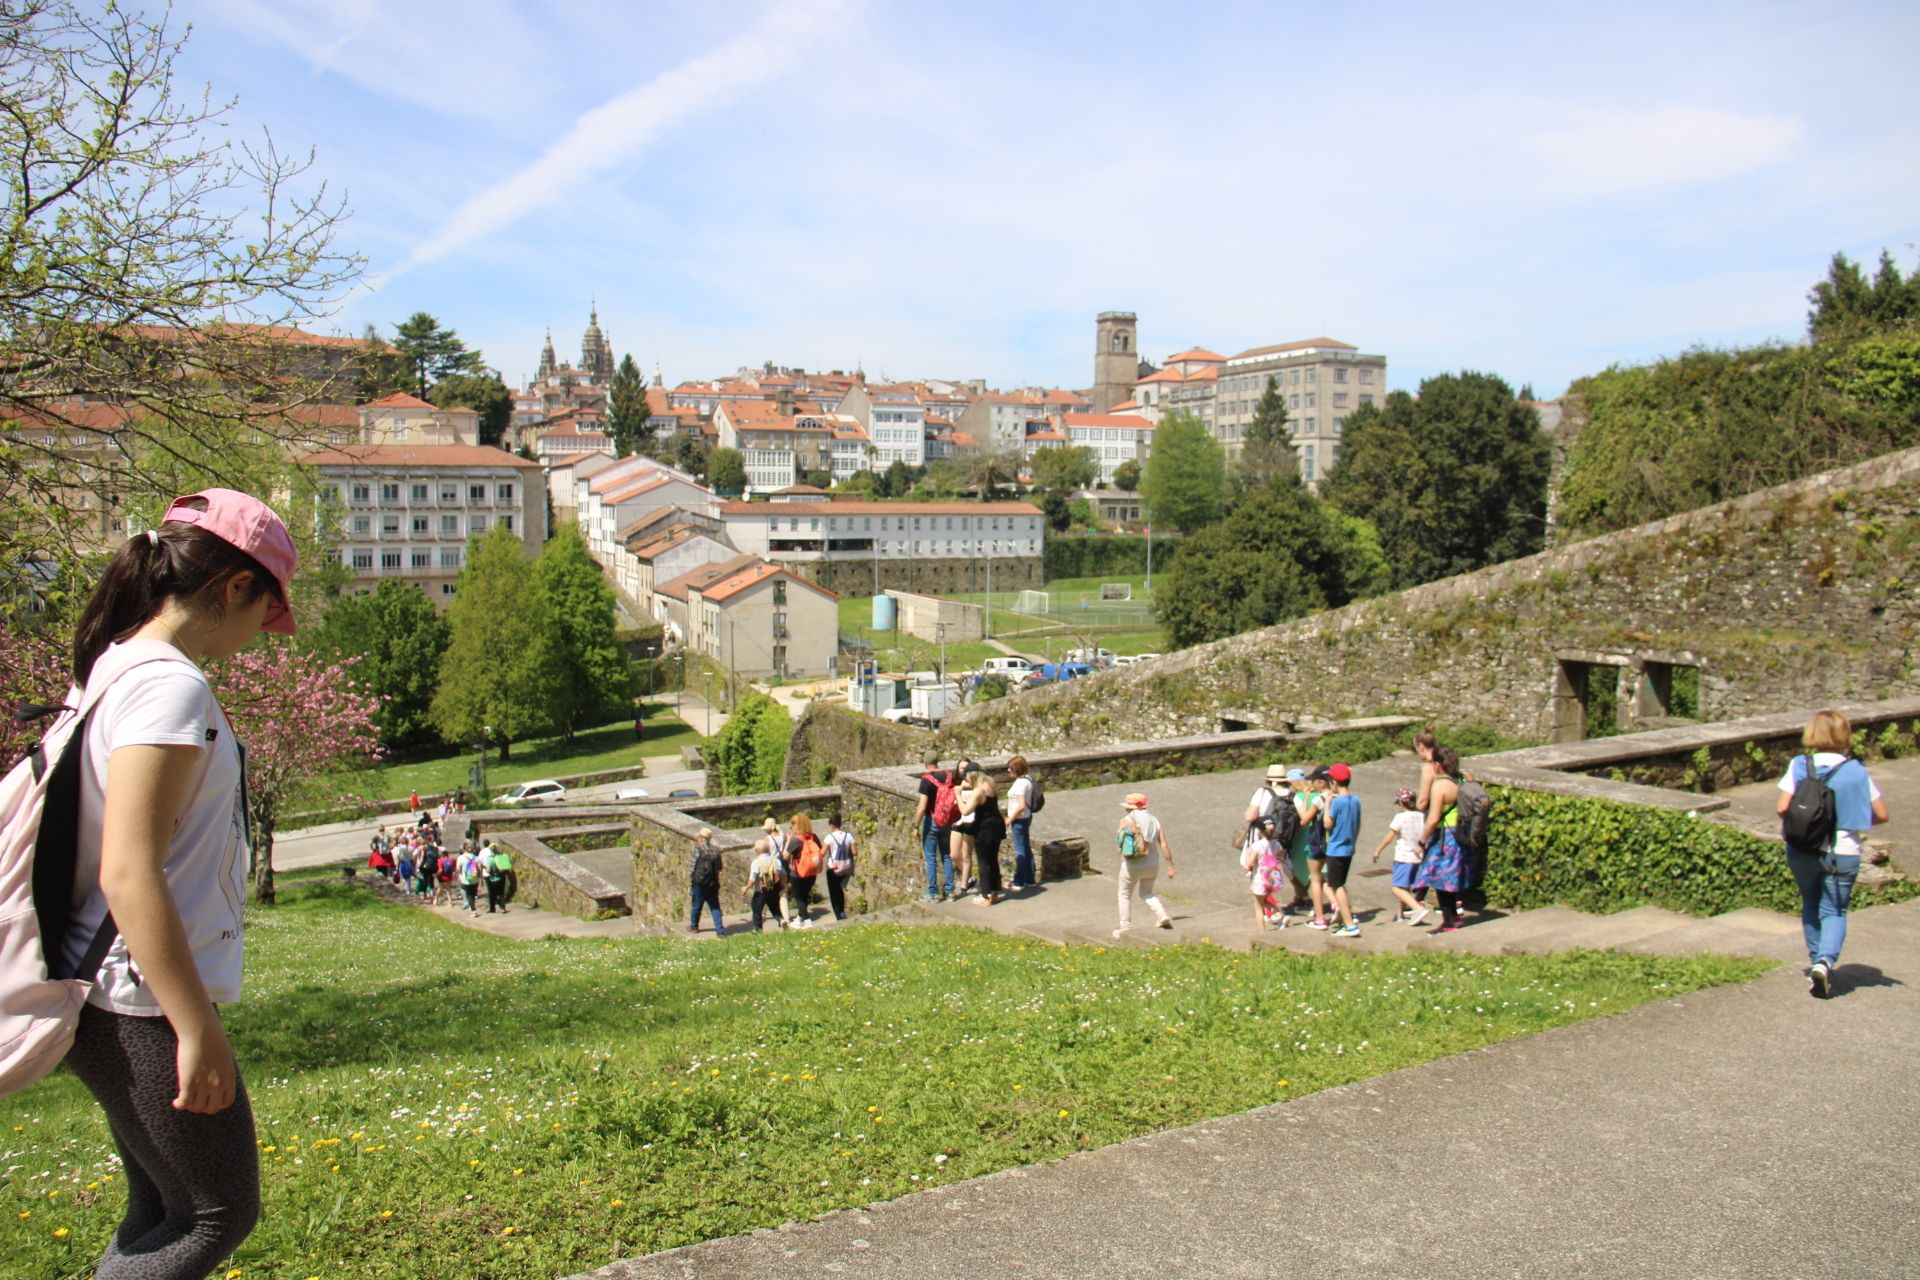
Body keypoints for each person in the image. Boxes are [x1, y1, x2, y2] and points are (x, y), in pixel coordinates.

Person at [60, 487, 297, 1276]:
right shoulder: (170, 687)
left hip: (103, 991)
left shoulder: (115, 664)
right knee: (213, 1214)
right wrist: (194, 1028)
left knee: (162, 1207)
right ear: (235, 588)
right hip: (141, 998)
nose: (263, 635)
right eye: (266, 611)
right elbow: (129, 869)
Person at [1777, 710, 1889, 998]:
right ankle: (1825, 963)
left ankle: (1817, 962)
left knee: (1811, 903)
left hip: (1803, 849)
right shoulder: (1856, 771)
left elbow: (1781, 807)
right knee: (1835, 909)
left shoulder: (1800, 765)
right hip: (1843, 851)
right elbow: (1881, 814)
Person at [1415, 746, 1469, 933]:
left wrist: (1422, 840)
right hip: (1460, 833)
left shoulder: (1440, 786)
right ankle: (1454, 915)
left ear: (1438, 764)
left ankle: (1448, 922)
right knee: (1451, 877)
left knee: (1440, 879)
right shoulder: (1463, 778)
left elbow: (1434, 818)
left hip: (1445, 836)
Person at [1113, 792, 1175, 938]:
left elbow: (1120, 844)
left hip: (1132, 864)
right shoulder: (1155, 821)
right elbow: (1164, 845)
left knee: (1124, 894)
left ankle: (1125, 927)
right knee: (1147, 892)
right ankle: (1162, 915)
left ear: (1130, 807)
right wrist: (1170, 865)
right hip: (1152, 864)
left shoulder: (1126, 820)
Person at [1372, 788, 1431, 926]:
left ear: (1401, 803)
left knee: (1396, 888)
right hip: (1418, 857)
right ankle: (1400, 913)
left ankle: (1417, 908)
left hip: (1403, 856)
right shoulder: (1421, 816)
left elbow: (1389, 837)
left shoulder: (1400, 818)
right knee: (1405, 887)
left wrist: (1378, 850)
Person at [1321, 763, 1362, 937]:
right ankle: (1345, 917)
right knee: (1340, 883)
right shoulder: (1356, 800)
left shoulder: (1337, 802)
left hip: (1336, 848)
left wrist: (1328, 804)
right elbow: (1358, 824)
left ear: (1334, 782)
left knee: (1336, 886)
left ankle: (1349, 924)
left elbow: (1327, 824)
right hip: (1349, 847)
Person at [960, 769, 1007, 906]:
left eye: (968, 778)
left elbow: (965, 810)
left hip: (984, 829)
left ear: (973, 776)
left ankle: (985, 895)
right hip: (997, 825)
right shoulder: (990, 783)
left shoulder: (979, 791)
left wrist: (957, 794)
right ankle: (994, 892)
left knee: (983, 862)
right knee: (993, 860)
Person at [914, 753, 957, 901]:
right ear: (938, 761)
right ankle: (950, 891)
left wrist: (915, 826)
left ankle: (933, 893)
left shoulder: (926, 780)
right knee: (946, 855)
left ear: (925, 763)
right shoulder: (949, 775)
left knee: (931, 857)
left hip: (932, 820)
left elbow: (921, 807)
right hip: (946, 820)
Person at [1244, 814, 1289, 930]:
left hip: (1259, 878)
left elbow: (1250, 862)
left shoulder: (1257, 846)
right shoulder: (1277, 844)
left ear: (1259, 831)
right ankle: (1279, 914)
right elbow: (1281, 855)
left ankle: (1262, 931)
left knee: (1258, 906)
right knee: (1264, 900)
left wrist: (1248, 856)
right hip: (1272, 877)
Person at [1301, 767, 1334, 927]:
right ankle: (1336, 904)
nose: (1311, 783)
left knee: (1316, 879)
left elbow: (1304, 820)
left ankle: (1319, 918)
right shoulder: (1337, 797)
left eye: (1313, 781)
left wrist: (1307, 798)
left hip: (1317, 842)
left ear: (1321, 782)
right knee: (1330, 878)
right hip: (1333, 843)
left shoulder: (1319, 799)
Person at [785, 813, 824, 928]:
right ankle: (799, 917)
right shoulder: (813, 836)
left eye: (791, 825)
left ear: (795, 826)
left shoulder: (795, 840)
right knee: (805, 894)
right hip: (812, 872)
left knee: (799, 898)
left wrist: (788, 839)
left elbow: (785, 856)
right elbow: (820, 850)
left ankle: (807, 920)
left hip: (797, 873)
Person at [1006, 755, 1039, 890]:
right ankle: (1030, 878)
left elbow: (1021, 805)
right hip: (1026, 817)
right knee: (1025, 847)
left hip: (1019, 820)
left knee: (1020, 850)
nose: (1008, 770)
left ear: (1017, 769)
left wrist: (1010, 819)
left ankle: (1019, 881)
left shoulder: (1020, 784)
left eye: (1010, 768)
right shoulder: (1027, 779)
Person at [688, 827, 725, 934]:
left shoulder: (698, 850)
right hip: (713, 883)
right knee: (715, 906)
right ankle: (720, 930)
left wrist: (692, 879)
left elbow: (693, 867)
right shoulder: (716, 851)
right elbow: (719, 869)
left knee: (696, 905)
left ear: (701, 838)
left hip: (700, 883)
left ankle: (694, 926)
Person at [747, 838, 787, 931]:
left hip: (761, 890)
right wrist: (784, 885)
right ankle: (780, 919)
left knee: (756, 909)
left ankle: (758, 929)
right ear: (768, 850)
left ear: (757, 851)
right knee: (774, 907)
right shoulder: (776, 861)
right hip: (774, 888)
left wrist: (746, 887)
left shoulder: (756, 862)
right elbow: (783, 874)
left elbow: (752, 879)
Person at [951, 764, 979, 895]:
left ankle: (964, 885)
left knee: (966, 855)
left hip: (971, 820)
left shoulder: (976, 784)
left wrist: (961, 789)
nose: (963, 770)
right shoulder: (957, 782)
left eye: (965, 768)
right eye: (961, 768)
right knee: (954, 854)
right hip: (959, 820)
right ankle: (970, 877)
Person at [823, 815, 856, 920]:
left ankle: (838, 916)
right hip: (846, 868)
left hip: (834, 869)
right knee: (840, 890)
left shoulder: (829, 837)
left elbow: (822, 853)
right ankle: (842, 912)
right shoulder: (848, 836)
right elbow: (855, 852)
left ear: (831, 825)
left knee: (834, 892)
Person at [479, 839, 506, 914]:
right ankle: (503, 908)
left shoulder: (490, 859)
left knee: (492, 893)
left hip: (493, 878)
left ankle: (492, 908)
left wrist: (484, 867)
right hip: (502, 877)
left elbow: (488, 870)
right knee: (501, 893)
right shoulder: (501, 856)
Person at [493, 841, 516, 906]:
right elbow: (510, 861)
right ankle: (503, 898)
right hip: (506, 871)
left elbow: (494, 865)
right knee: (503, 885)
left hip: (498, 873)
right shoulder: (505, 855)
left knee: (498, 887)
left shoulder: (494, 857)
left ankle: (500, 899)